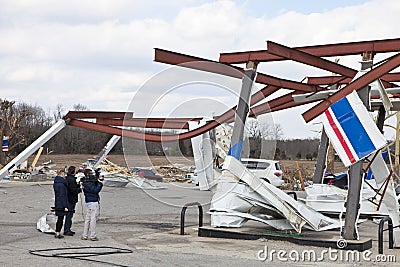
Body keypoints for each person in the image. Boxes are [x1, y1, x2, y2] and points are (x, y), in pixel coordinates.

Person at [81, 168, 103, 241]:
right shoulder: (89, 184)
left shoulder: (85, 182)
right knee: (93, 219)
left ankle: (85, 235)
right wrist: (100, 183)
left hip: (88, 202)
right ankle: (92, 235)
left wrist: (97, 179)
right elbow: (95, 190)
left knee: (87, 219)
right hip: (93, 202)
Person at [64, 166, 81, 236]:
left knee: (69, 215)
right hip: (71, 199)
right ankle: (67, 229)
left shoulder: (68, 178)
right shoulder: (72, 180)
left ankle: (67, 229)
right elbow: (73, 190)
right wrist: (79, 189)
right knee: (69, 215)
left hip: (68, 198)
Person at [53, 170, 68, 239]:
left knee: (59, 218)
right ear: (62, 174)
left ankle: (57, 232)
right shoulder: (61, 184)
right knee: (60, 219)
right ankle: (58, 232)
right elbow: (63, 195)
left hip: (57, 202)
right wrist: (65, 206)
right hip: (61, 204)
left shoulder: (56, 182)